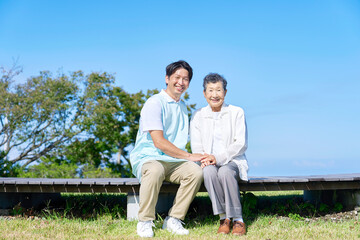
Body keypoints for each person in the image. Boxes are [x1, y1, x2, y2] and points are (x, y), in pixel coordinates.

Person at [130, 60, 204, 238]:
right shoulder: (154, 103)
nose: (181, 82)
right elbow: (159, 142)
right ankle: (145, 221)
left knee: (195, 172)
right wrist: (189, 155)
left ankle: (173, 219)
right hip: (149, 157)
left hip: (173, 161)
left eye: (185, 79)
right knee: (155, 170)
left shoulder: (182, 106)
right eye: (177, 77)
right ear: (167, 78)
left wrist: (198, 157)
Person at [190, 73, 249, 236]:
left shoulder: (236, 112)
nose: (214, 95)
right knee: (208, 172)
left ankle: (238, 219)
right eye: (210, 90)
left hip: (232, 161)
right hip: (207, 161)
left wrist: (218, 157)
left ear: (225, 92)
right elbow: (196, 145)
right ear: (204, 93)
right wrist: (205, 159)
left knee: (224, 171)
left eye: (218, 90)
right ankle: (224, 218)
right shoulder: (198, 115)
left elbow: (241, 143)